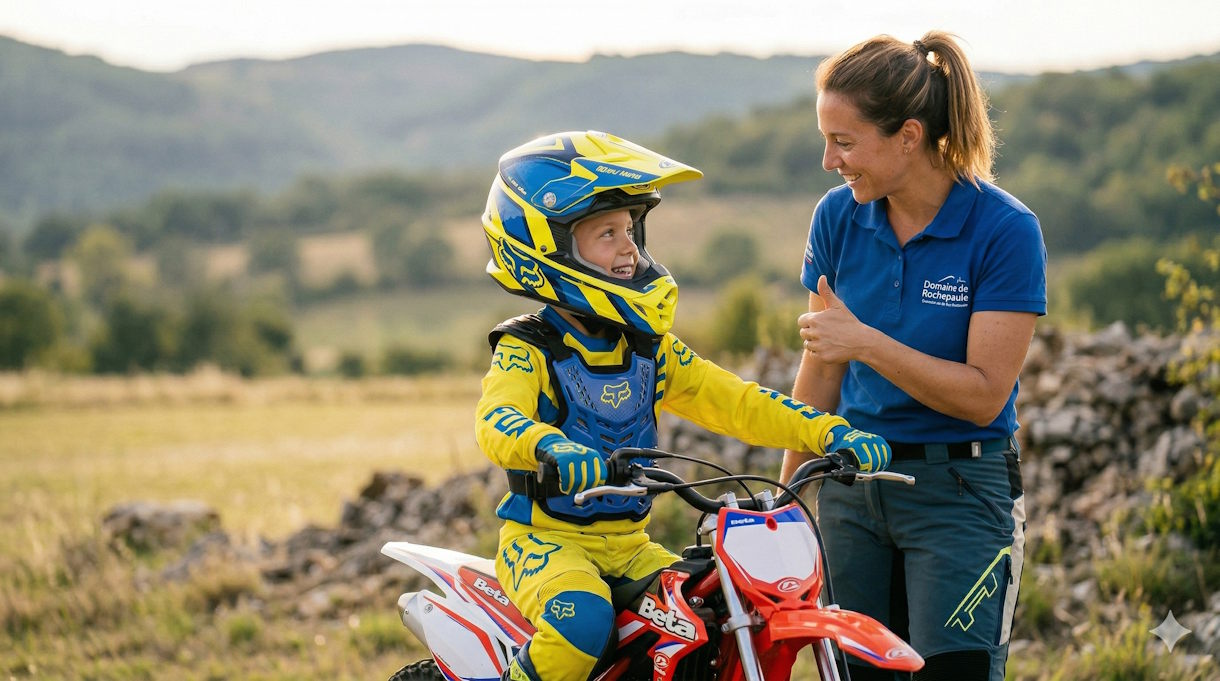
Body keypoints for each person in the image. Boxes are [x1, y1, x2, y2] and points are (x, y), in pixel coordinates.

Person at [476, 130, 892, 681]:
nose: (629, 249)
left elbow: (737, 402)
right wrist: (548, 444)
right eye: (606, 233)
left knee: (713, 616)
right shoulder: (529, 349)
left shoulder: (649, 350)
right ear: (545, 247)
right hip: (547, 543)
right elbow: (496, 421)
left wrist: (826, 431)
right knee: (582, 624)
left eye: (631, 230)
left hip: (629, 545)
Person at [778, 32, 1047, 681]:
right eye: (826, 139)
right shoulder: (838, 218)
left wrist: (867, 341)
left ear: (908, 136)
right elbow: (822, 366)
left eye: (844, 141)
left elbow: (984, 394)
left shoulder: (1005, 230)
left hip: (958, 494)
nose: (828, 160)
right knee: (856, 673)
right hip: (850, 489)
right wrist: (785, 498)